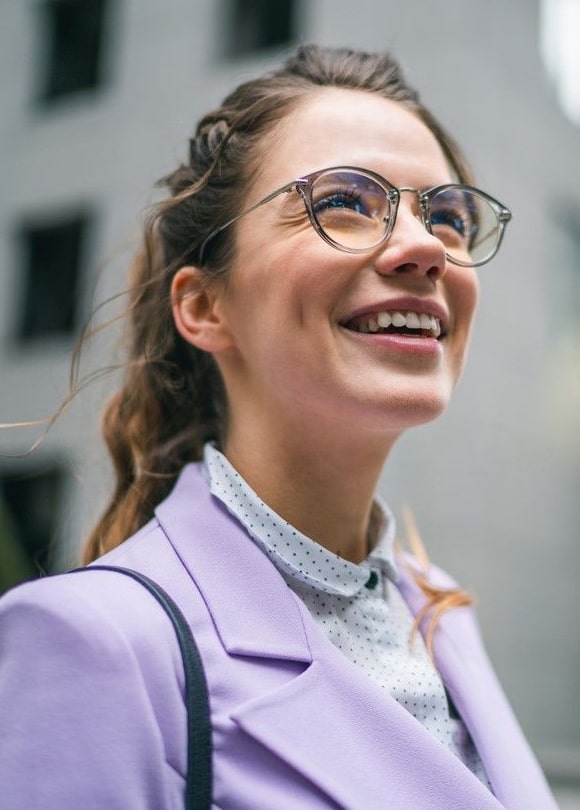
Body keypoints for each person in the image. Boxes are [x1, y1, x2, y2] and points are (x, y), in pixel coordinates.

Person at [0, 44, 557, 809]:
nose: (427, 247)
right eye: (342, 203)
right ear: (204, 307)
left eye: (450, 216)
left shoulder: (440, 615)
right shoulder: (94, 643)